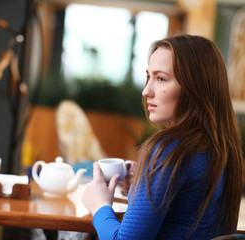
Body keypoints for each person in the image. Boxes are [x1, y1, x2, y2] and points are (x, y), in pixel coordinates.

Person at [82, 34, 244, 239]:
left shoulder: (170, 151)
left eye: (160, 79)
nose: (146, 91)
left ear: (195, 88)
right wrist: (143, 187)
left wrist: (99, 206)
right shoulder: (222, 150)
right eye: (148, 77)